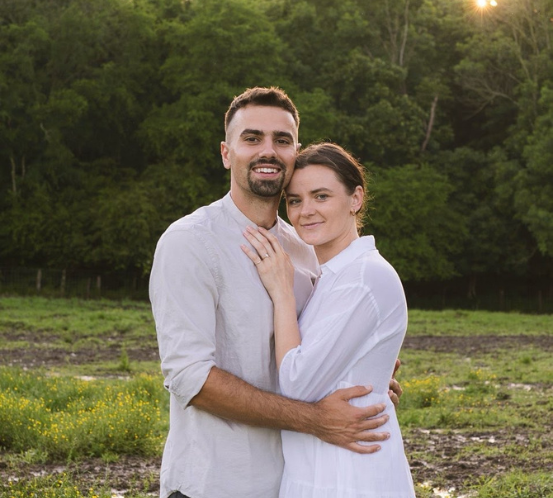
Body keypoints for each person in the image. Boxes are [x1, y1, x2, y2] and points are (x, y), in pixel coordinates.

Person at [149, 87, 402, 498]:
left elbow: (314, 349)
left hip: (293, 483)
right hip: (214, 484)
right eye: (252, 138)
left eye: (282, 141)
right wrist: (314, 418)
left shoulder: (306, 248)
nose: (268, 151)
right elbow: (189, 377)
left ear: (294, 151)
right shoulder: (190, 242)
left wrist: (363, 372)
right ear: (226, 153)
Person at [242, 142, 416, 497]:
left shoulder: (365, 277)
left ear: (356, 199)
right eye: (294, 200)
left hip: (349, 477)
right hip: (318, 471)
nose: (305, 211)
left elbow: (296, 385)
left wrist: (282, 293)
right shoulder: (330, 277)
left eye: (321, 196)